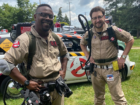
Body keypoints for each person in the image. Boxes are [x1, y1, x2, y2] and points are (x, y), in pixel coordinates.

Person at [1, 4, 69, 105]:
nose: (47, 18)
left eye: (50, 16)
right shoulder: (25, 39)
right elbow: (5, 64)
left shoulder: (55, 38)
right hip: (38, 92)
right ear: (35, 17)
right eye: (43, 15)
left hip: (58, 89)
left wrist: (63, 70)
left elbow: (65, 54)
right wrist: (26, 82)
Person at [80, 6, 134, 105]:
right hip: (96, 70)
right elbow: (82, 43)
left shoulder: (112, 30)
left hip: (111, 69)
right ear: (91, 20)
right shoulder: (90, 33)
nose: (97, 20)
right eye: (94, 18)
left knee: (118, 98)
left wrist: (123, 58)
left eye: (99, 17)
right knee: (98, 98)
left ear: (104, 17)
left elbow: (130, 39)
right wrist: (88, 56)